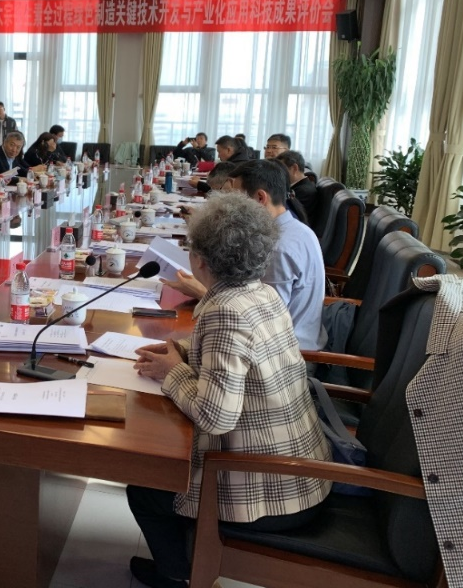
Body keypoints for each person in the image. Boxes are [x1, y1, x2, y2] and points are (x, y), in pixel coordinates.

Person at [129, 191, 330, 588]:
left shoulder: (225, 311)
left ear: (200, 260)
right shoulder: (261, 292)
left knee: (144, 489)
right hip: (302, 472)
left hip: (271, 488)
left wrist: (173, 373)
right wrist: (182, 354)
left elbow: (215, 417)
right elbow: (242, 359)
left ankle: (178, 577)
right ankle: (185, 560)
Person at [167, 159, 327, 351]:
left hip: (286, 352)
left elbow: (263, 322)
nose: (229, 206)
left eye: (235, 199)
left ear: (260, 198)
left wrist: (203, 291)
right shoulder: (297, 229)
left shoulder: (277, 247)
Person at [275, 150, 317, 222]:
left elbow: (288, 216)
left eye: (281, 170)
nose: (278, 174)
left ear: (294, 168)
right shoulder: (298, 187)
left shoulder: (304, 192)